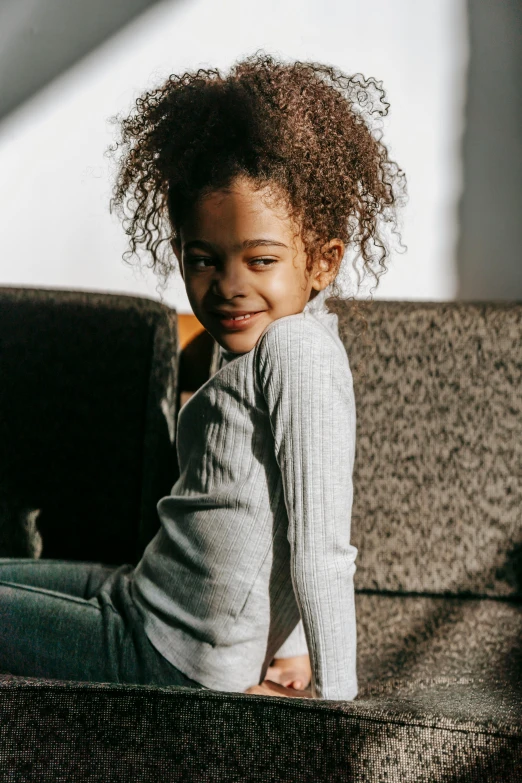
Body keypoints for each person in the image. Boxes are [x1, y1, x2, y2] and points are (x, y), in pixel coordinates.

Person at [0, 51, 405, 700]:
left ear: (323, 260)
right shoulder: (253, 345)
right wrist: (289, 647)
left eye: (261, 259)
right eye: (204, 259)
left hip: (166, 653)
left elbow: (319, 544)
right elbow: (268, 509)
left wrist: (338, 710)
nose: (229, 288)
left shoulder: (298, 351)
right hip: (140, 598)